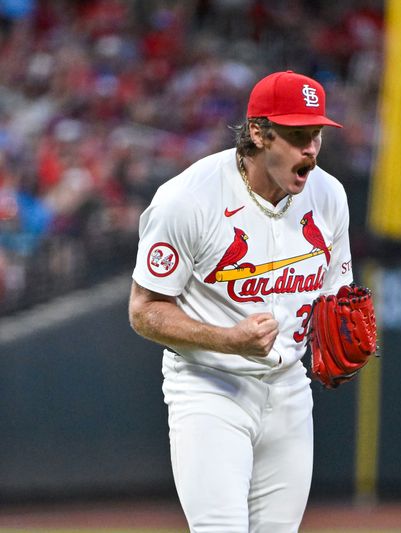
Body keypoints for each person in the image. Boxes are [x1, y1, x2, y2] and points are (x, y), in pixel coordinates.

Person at [128, 70, 354, 532]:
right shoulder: (187, 200)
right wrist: (226, 339)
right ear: (258, 131)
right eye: (297, 135)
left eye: (316, 135)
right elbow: (144, 311)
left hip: (290, 389)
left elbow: (336, 292)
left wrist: (341, 326)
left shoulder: (329, 196)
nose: (310, 148)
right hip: (209, 385)